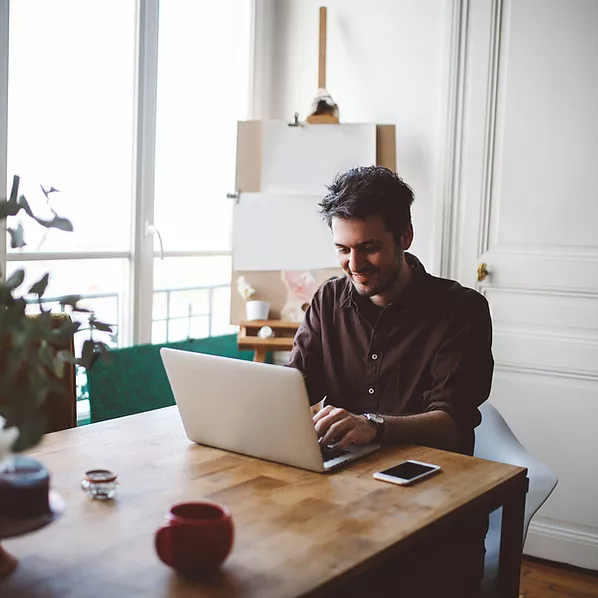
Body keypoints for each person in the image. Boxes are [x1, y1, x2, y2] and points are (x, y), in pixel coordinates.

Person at [286, 165, 494, 597]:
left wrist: (374, 426)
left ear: (405, 238)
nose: (354, 265)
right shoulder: (328, 299)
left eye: (369, 248)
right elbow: (294, 389)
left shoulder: (461, 310)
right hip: (344, 496)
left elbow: (451, 424)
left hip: (434, 506)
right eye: (343, 249)